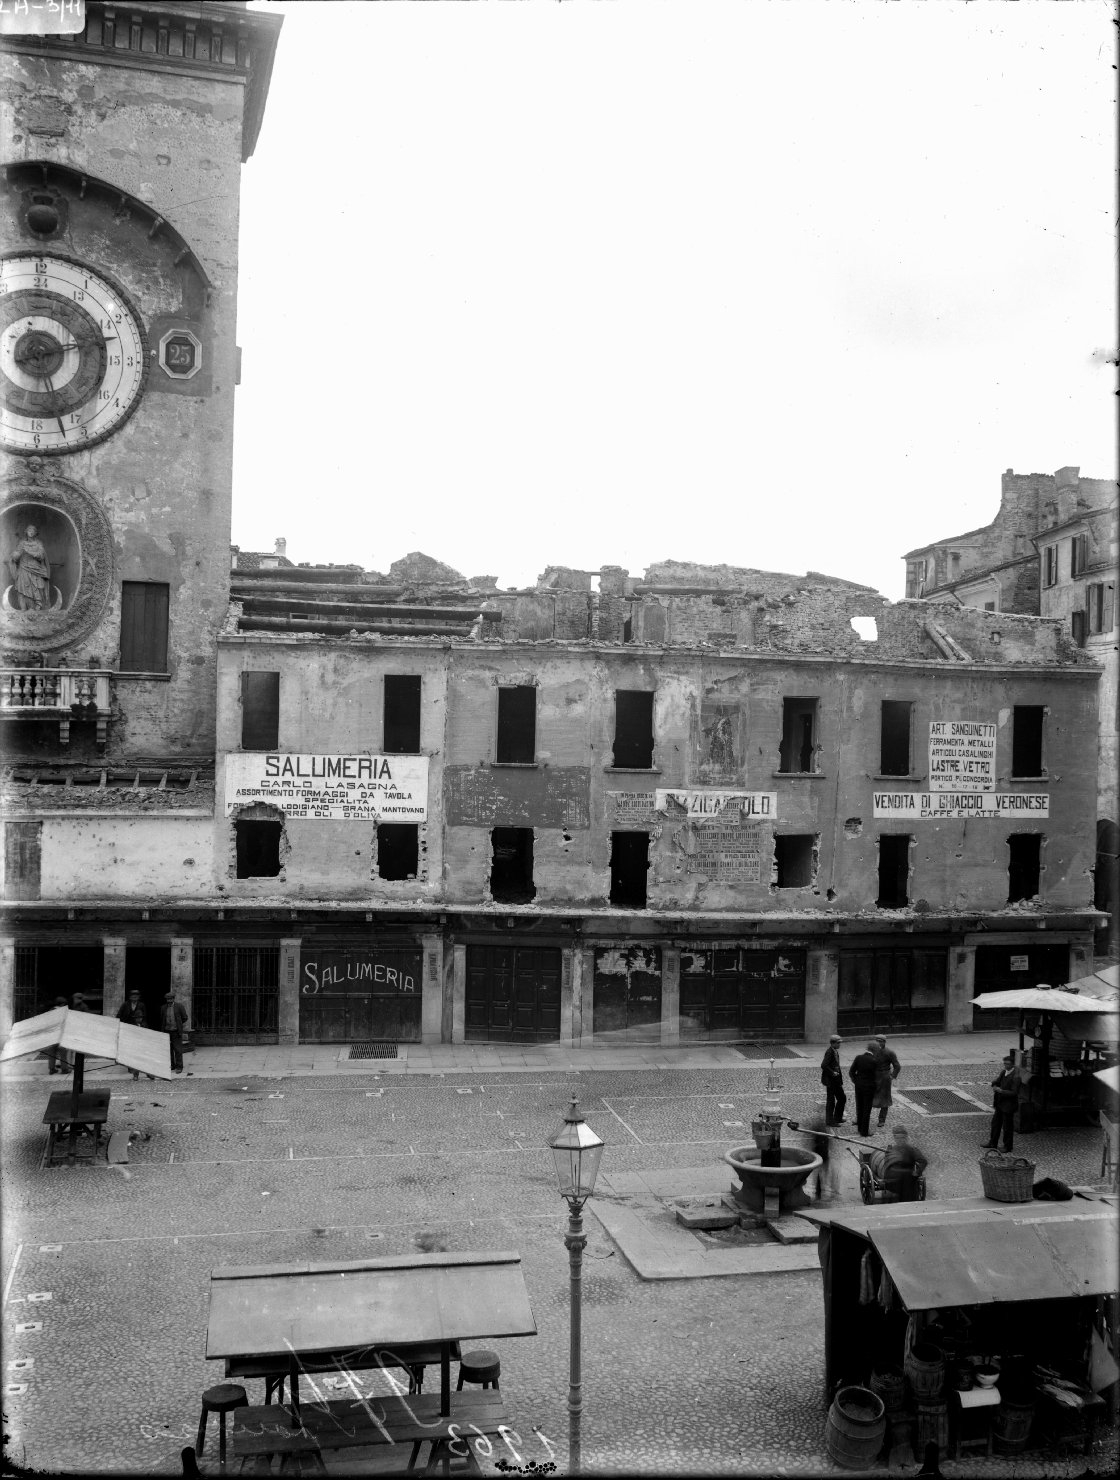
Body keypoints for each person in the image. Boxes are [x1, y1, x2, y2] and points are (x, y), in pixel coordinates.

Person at [983, 1053, 1021, 1151]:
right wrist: (994, 1084)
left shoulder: (1016, 1077)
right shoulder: (1003, 1072)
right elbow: (998, 1081)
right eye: (1004, 1064)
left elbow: (1014, 1092)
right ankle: (993, 1142)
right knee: (995, 1124)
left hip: (1008, 1105)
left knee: (1007, 1127)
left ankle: (1008, 1146)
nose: (1006, 1066)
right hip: (1000, 1103)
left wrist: (1001, 1091)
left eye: (1008, 1064)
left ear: (1012, 1064)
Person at [8, 524, 51, 610]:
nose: (31, 532)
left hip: (37, 569)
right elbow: (17, 554)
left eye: (33, 531)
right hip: (24, 569)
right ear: (26, 532)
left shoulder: (38, 543)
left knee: (40, 588)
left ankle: (38, 608)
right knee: (23, 590)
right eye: (29, 531)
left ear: (36, 533)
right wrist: (15, 556)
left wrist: (29, 552)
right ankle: (25, 609)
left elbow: (41, 555)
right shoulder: (22, 543)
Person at [880, 1125, 927, 1202]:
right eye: (897, 1138)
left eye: (902, 1138)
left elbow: (923, 1161)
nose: (900, 1140)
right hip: (894, 1184)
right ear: (895, 1139)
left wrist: (917, 1172)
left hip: (908, 1183)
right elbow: (887, 1166)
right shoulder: (892, 1150)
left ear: (906, 1138)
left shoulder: (912, 1150)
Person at [117, 989, 155, 1080]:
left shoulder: (141, 1005)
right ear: (130, 997)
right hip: (128, 1029)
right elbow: (119, 1016)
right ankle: (134, 1072)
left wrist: (144, 1028)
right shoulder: (125, 1005)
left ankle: (148, 1073)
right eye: (133, 996)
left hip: (140, 1031)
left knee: (144, 1055)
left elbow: (144, 1017)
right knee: (132, 1053)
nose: (134, 998)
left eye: (136, 996)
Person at [806, 1103, 840, 1201]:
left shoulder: (824, 1126)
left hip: (823, 1152)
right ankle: (820, 1192)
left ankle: (823, 1191)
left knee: (825, 1172)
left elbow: (830, 1138)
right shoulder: (818, 1126)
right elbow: (811, 1139)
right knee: (821, 1173)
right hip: (819, 1153)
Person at [849, 1040, 880, 1138]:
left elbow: (851, 1072)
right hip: (869, 1088)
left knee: (859, 1107)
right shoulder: (874, 1061)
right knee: (867, 1109)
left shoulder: (859, 1058)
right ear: (874, 1050)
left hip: (859, 1087)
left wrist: (856, 1081)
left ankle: (859, 1128)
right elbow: (877, 1077)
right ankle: (864, 1131)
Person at [872, 1033, 902, 1129]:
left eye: (880, 1041)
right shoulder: (872, 1052)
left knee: (885, 1099)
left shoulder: (889, 1052)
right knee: (868, 1097)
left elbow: (897, 1066)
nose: (878, 1043)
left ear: (884, 1042)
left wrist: (892, 1076)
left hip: (885, 1078)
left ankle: (881, 1120)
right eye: (877, 1041)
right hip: (874, 1077)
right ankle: (862, 1117)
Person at [821, 1033, 847, 1126]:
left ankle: (837, 1117)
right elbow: (824, 1065)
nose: (839, 1045)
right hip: (831, 1081)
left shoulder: (835, 1051)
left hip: (836, 1080)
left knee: (842, 1098)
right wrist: (832, 1072)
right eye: (838, 1043)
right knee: (831, 1101)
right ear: (833, 1043)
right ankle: (830, 1121)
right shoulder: (830, 1052)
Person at [161, 989, 188, 1072]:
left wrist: (178, 1024)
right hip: (167, 1031)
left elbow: (185, 1017)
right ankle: (172, 1065)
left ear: (173, 999)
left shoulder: (179, 1006)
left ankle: (179, 1067)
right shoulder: (163, 1007)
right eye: (167, 999)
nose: (169, 1000)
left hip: (176, 1031)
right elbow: (162, 1019)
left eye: (170, 999)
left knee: (178, 1049)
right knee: (169, 1050)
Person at [47, 995, 71, 1074]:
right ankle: (64, 1069)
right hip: (61, 1035)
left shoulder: (50, 1010)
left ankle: (51, 1069)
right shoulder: (63, 1012)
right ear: (62, 1004)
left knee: (51, 1053)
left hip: (52, 1035)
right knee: (63, 1053)